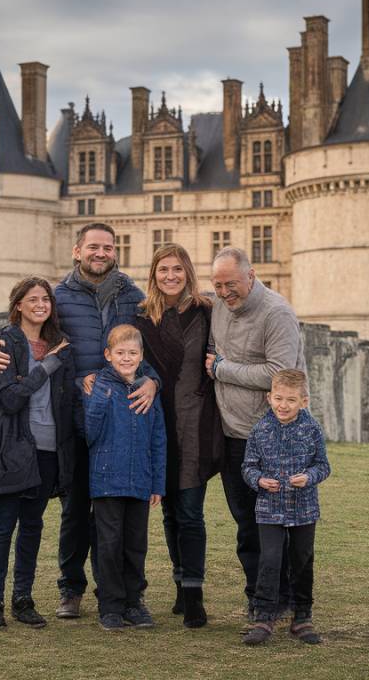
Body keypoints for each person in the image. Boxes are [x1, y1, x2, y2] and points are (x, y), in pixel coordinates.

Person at [0, 223, 159, 619]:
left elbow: (153, 355)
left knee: (118, 515)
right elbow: (23, 325)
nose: (101, 253)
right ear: (77, 251)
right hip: (72, 421)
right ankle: (72, 588)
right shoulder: (58, 296)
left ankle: (120, 593)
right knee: (76, 511)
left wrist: (153, 381)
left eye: (108, 248)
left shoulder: (134, 298)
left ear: (116, 252)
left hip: (120, 422)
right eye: (93, 247)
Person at [205, 246, 306, 618]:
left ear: (251, 275)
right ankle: (260, 596)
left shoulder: (277, 313)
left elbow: (280, 372)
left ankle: (284, 596)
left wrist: (223, 369)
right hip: (233, 437)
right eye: (217, 285)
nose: (224, 292)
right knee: (246, 525)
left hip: (272, 439)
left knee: (277, 523)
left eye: (231, 283)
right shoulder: (216, 304)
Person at [0, 277, 77, 630]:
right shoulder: (5, 342)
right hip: (14, 447)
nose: (41, 304)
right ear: (18, 304)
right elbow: (8, 400)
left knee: (33, 526)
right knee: (3, 526)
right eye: (32, 299)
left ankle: (23, 598)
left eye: (46, 299)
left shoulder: (60, 345)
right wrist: (47, 366)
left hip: (50, 450)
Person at [135, 243, 222, 628]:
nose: (170, 277)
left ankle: (194, 595)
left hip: (197, 421)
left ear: (188, 271)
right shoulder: (142, 318)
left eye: (177, 269)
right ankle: (179, 585)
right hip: (158, 424)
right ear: (153, 275)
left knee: (190, 512)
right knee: (169, 512)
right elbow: (128, 364)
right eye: (163, 270)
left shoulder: (206, 311)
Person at [85, 325, 167, 631]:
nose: (127, 358)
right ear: (108, 355)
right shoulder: (99, 387)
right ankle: (110, 604)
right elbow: (90, 433)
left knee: (136, 545)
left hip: (140, 481)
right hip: (106, 481)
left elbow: (158, 439)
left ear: (141, 355)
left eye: (133, 353)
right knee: (109, 543)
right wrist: (100, 396)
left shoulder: (148, 390)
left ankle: (134, 601)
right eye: (120, 353)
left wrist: (157, 483)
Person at [240, 369, 330, 646]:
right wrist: (258, 480)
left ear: (304, 401)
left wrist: (309, 478)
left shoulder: (312, 429)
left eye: (291, 400)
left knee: (302, 560)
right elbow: (248, 467)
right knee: (269, 560)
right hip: (269, 509)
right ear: (269, 398)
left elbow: (323, 466)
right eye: (278, 398)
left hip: (304, 509)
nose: (283, 405)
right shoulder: (260, 430)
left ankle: (302, 616)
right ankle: (264, 616)